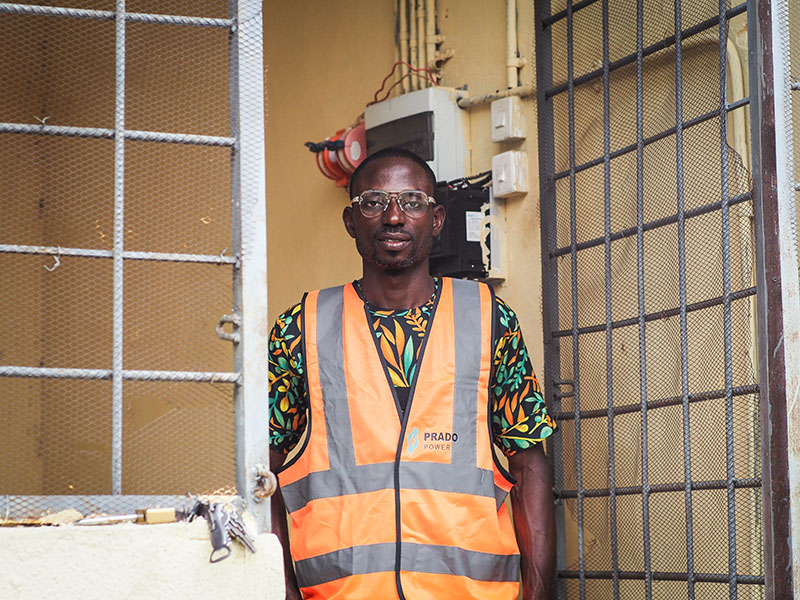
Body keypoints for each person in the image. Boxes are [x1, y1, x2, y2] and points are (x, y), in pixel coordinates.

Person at [268, 147, 557, 600]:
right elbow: (261, 474)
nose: (394, 216)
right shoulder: (299, 329)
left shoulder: (489, 319)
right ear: (350, 221)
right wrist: (279, 589)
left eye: (413, 202)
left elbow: (528, 466)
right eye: (374, 202)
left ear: (437, 220)